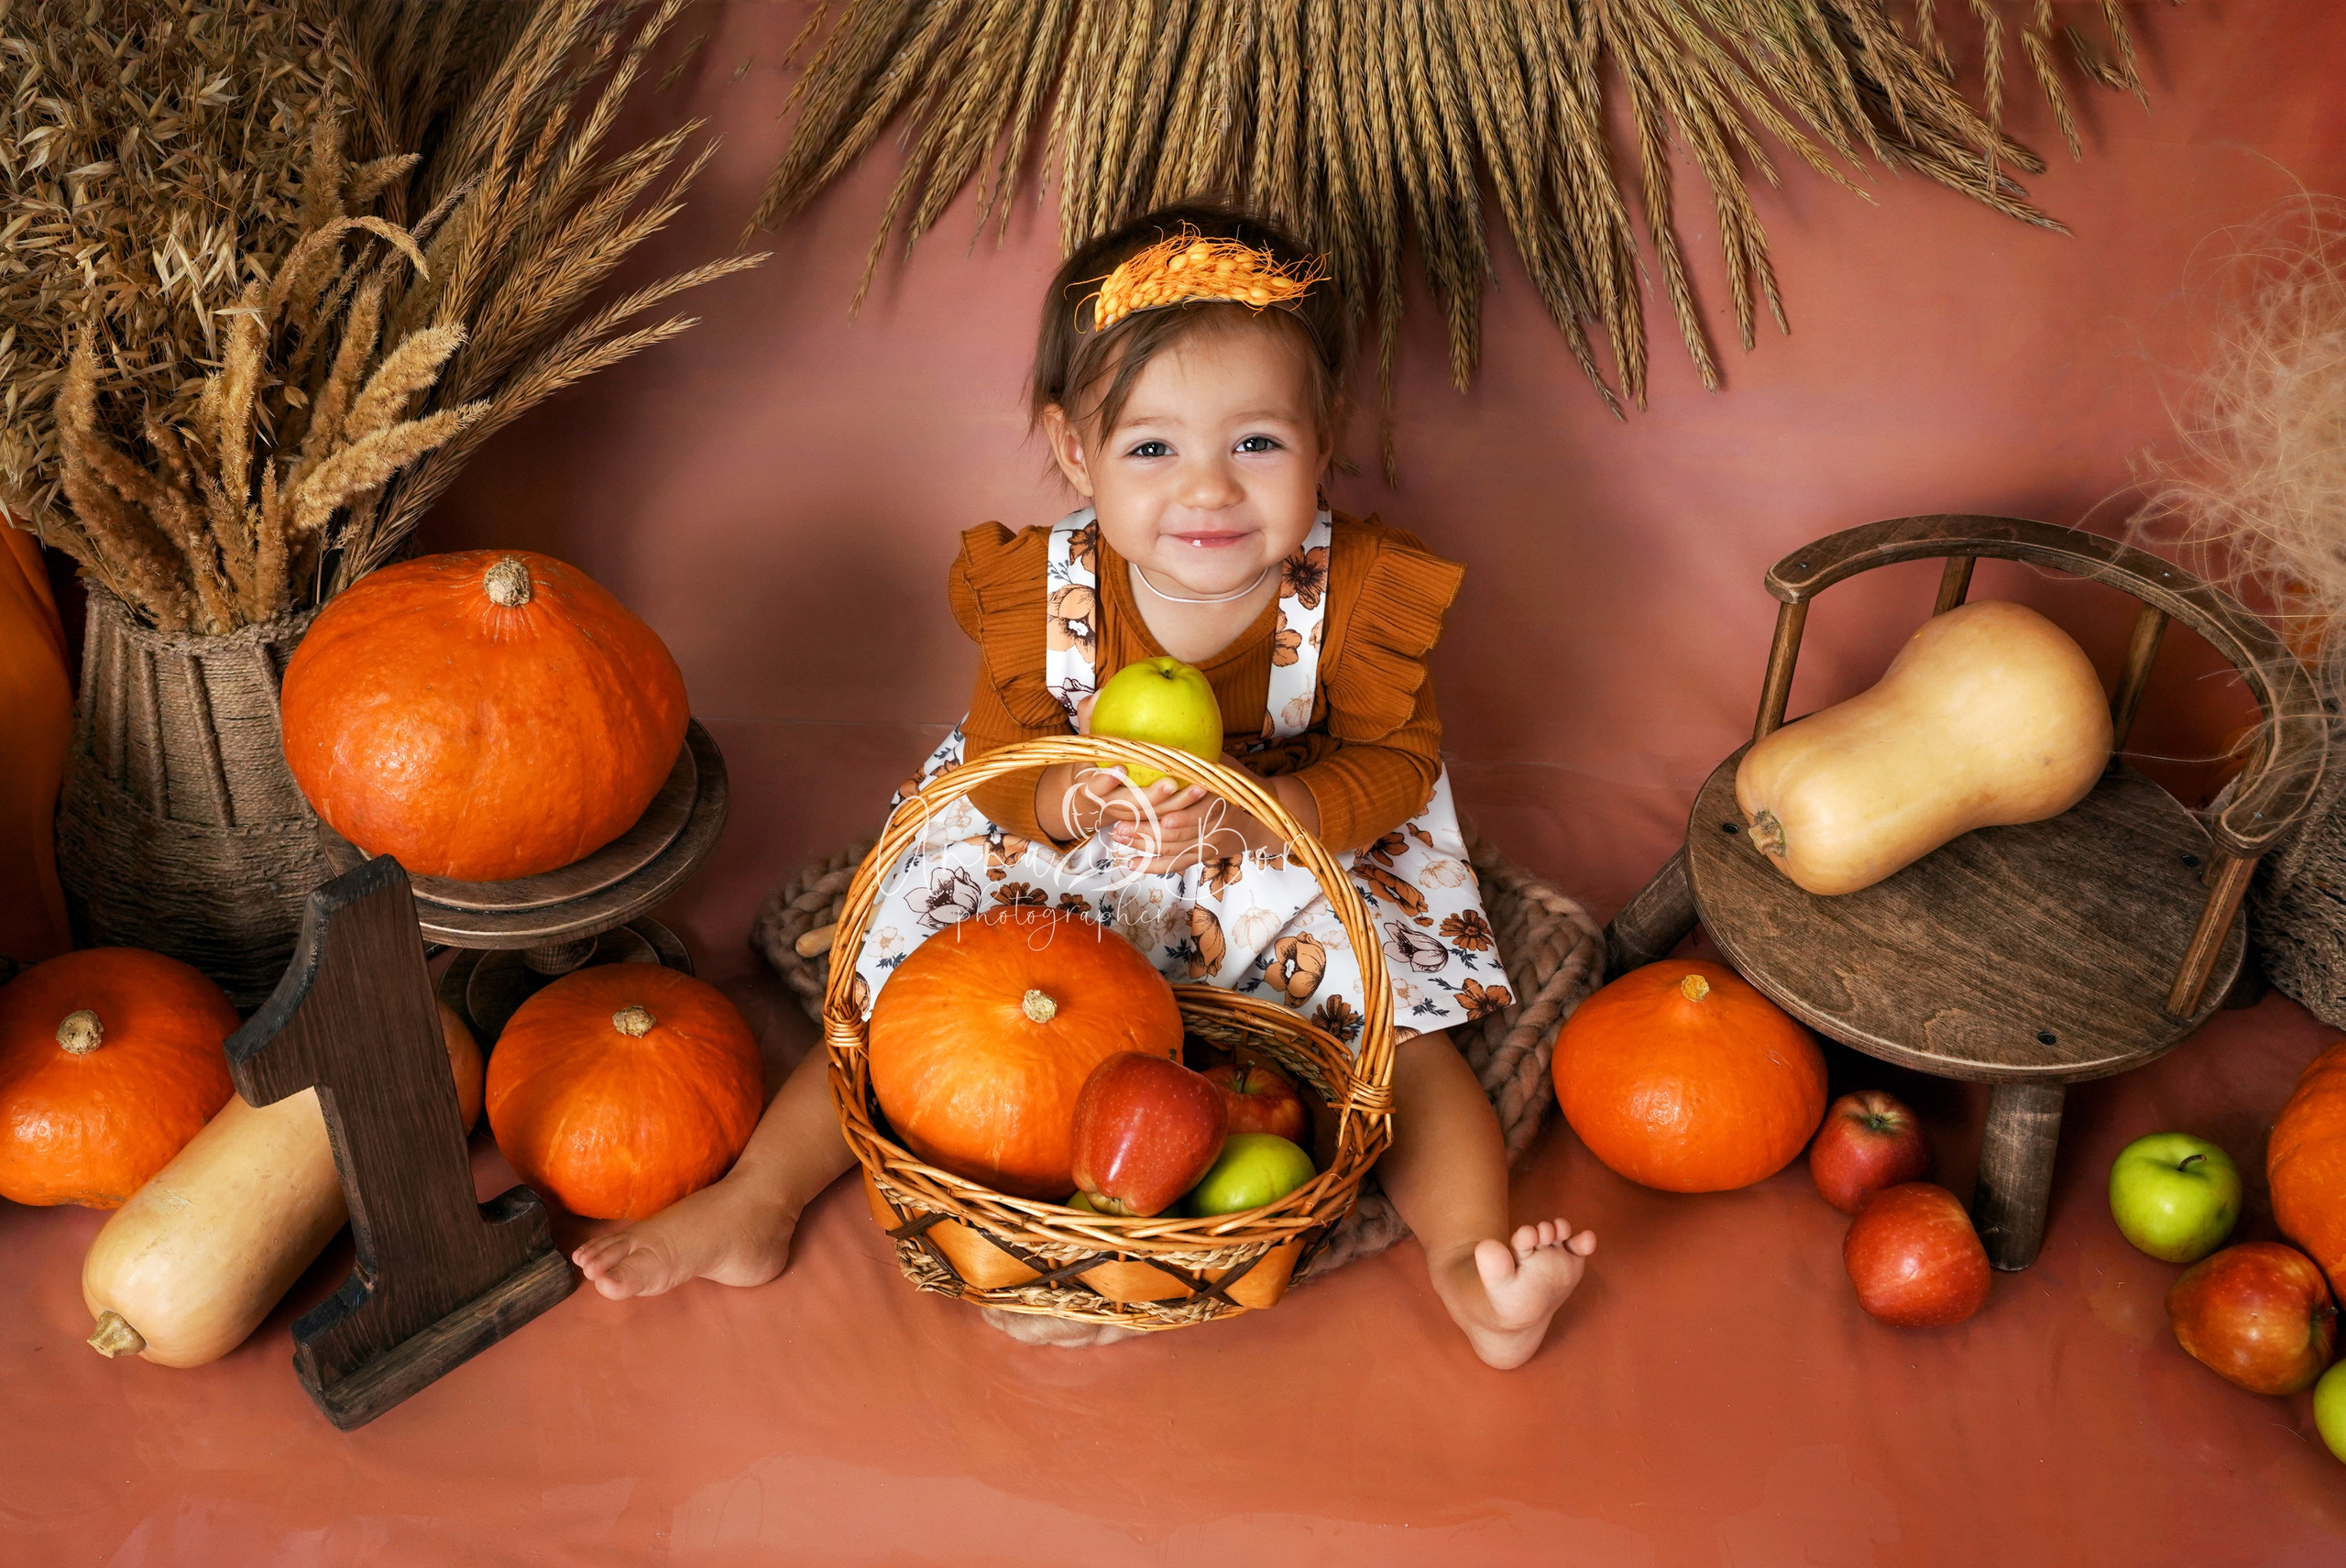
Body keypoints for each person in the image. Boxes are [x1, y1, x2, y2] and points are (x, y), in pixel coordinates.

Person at [573, 203, 1596, 1369]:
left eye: (1255, 445)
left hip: (1287, 852)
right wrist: (1072, 801)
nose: (1207, 492)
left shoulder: (1360, 590)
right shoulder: (1043, 584)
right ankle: (759, 1198)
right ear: (1075, 451)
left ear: (1324, 436)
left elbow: (1394, 760)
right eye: (1151, 449)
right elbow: (999, 749)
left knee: (1406, 1049)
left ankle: (1474, 1267)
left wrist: (1284, 812)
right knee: (907, 1010)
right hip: (1069, 860)